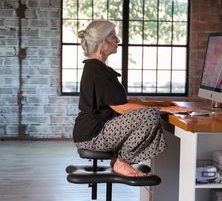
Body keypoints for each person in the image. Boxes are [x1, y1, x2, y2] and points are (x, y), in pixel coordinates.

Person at [73, 20, 189, 177]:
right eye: (113, 36)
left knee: (150, 111)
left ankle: (119, 159)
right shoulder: (96, 71)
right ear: (101, 41)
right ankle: (122, 161)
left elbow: (125, 102)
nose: (118, 40)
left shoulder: (98, 68)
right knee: (150, 115)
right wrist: (164, 110)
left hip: (95, 131)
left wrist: (160, 103)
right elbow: (122, 109)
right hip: (93, 135)